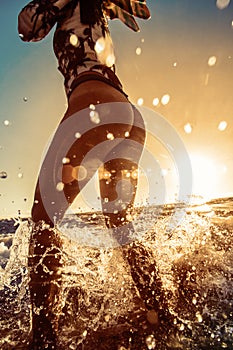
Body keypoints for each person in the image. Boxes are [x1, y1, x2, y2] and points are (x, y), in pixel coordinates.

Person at [18, 1, 153, 348]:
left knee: (44, 220)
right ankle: (162, 310)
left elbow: (27, 27)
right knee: (119, 220)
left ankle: (43, 340)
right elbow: (142, 12)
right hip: (128, 115)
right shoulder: (97, 10)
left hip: (91, 108)